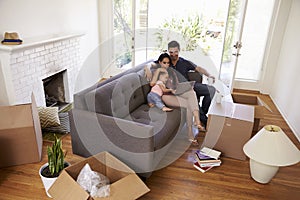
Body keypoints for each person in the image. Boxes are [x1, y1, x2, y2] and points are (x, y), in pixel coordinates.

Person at [145, 53, 204, 145]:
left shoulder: (171, 71)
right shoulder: (157, 70)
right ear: (160, 62)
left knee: (192, 92)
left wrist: (181, 88)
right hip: (165, 96)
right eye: (164, 63)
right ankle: (190, 132)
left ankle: (197, 120)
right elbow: (151, 81)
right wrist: (149, 68)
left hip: (174, 93)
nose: (166, 65)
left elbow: (175, 85)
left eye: (168, 63)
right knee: (189, 104)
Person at [167, 40, 216, 128]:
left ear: (179, 50)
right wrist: (147, 69)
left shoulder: (184, 62)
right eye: (171, 52)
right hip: (177, 90)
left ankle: (202, 114)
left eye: (176, 52)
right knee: (192, 98)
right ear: (168, 51)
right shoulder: (165, 62)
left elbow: (198, 68)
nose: (173, 55)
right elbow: (151, 65)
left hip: (189, 85)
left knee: (211, 90)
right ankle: (204, 120)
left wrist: (209, 75)